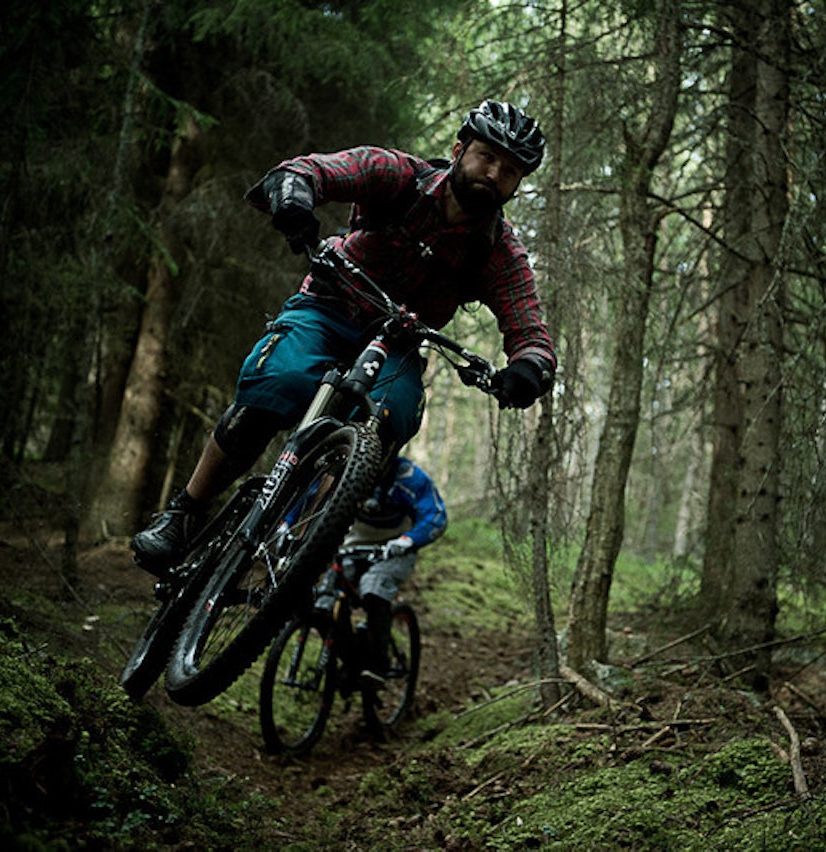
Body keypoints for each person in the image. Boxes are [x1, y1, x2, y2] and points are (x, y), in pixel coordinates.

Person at [131, 99, 555, 576]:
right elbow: (321, 170)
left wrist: (529, 368)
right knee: (279, 381)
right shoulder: (400, 176)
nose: (494, 173)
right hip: (330, 305)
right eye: (487, 156)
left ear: (517, 186)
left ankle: (304, 549)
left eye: (511, 170)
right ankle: (185, 513)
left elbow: (530, 330)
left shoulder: (502, 251)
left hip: (398, 343)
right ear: (458, 150)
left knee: (390, 419)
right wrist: (295, 193)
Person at [313, 455, 445, 685]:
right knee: (322, 604)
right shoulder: (348, 468)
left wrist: (409, 540)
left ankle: (378, 664)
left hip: (395, 550)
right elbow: (310, 495)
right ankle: (352, 661)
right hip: (353, 548)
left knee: (373, 588)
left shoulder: (410, 477)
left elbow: (437, 515)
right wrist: (287, 525)